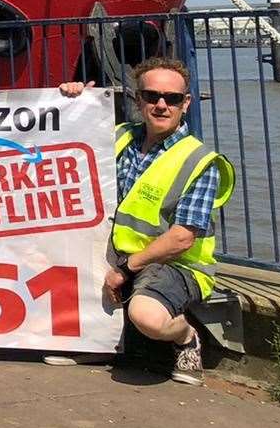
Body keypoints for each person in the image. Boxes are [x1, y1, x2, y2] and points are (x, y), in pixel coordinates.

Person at [59, 55, 235, 385]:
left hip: (176, 264)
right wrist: (72, 101)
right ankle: (97, 343)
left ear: (186, 103)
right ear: (138, 100)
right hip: (117, 253)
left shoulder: (200, 160)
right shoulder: (120, 136)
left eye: (171, 99)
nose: (161, 105)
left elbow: (182, 237)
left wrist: (125, 270)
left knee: (147, 317)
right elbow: (62, 145)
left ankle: (185, 337)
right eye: (152, 96)